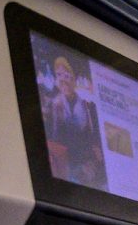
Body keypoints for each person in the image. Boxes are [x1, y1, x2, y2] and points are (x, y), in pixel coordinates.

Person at [42, 55, 105, 188]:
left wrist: (93, 162)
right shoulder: (54, 104)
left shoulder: (88, 105)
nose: (63, 80)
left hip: (86, 163)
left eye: (67, 75)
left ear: (74, 78)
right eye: (59, 75)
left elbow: (95, 139)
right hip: (62, 168)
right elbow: (52, 139)